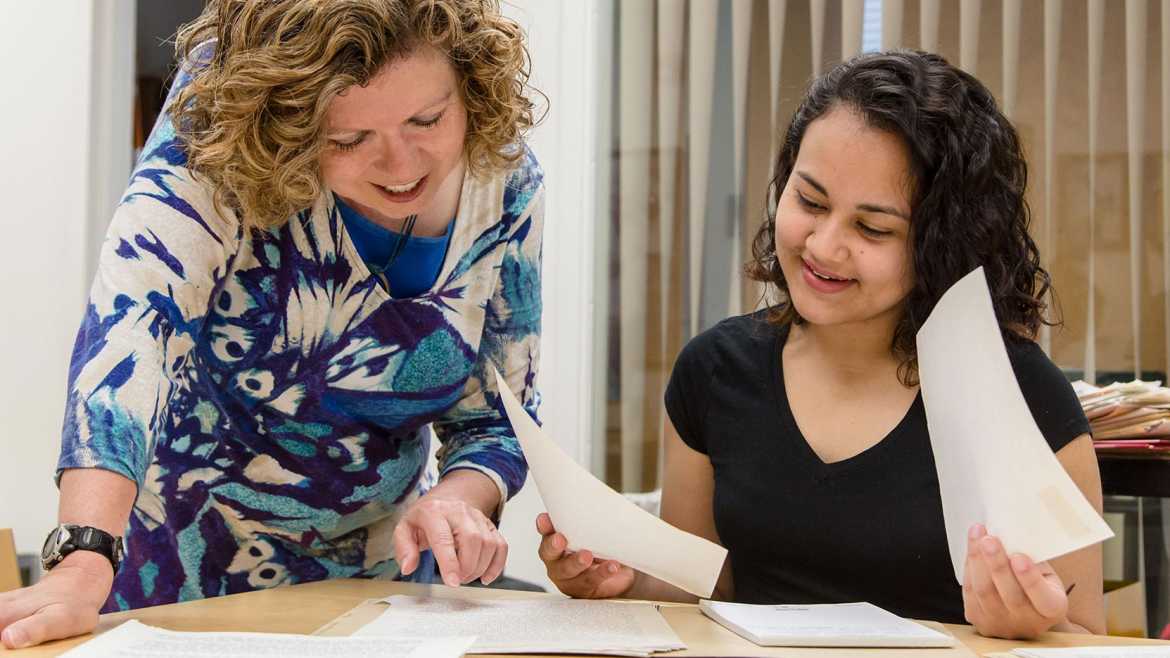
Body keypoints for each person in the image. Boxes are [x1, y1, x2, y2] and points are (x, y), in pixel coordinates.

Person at [0, 0, 544, 649]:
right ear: (287, 128)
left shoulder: (502, 183)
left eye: (427, 120)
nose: (402, 166)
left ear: (469, 89)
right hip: (176, 588)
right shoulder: (218, 137)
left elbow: (495, 422)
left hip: (378, 599)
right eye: (348, 140)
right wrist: (83, 555)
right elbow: (133, 329)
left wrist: (458, 498)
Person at [536, 50, 1104, 640]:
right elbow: (705, 589)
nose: (824, 246)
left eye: (873, 228)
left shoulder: (1019, 394)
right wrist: (622, 582)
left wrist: (1028, 628)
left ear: (944, 243)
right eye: (809, 201)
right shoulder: (713, 372)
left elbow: (1090, 637)